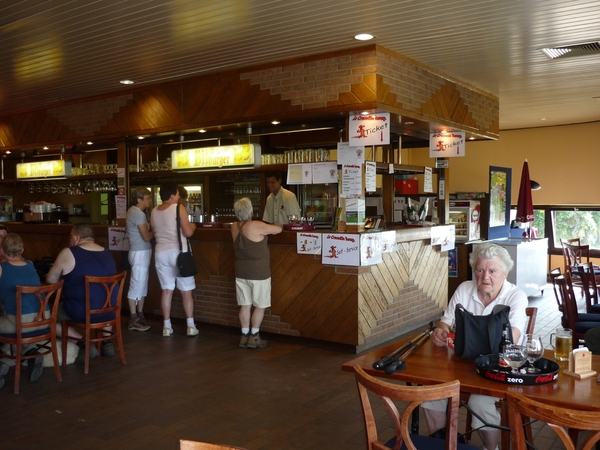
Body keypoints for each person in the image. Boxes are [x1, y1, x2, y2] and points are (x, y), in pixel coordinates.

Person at [423, 243, 528, 450]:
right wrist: (441, 330)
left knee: (479, 402)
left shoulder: (515, 297)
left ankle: (492, 448)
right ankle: (444, 444)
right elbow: (446, 320)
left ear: (505, 273)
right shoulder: (464, 288)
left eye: (492, 271)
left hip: (500, 366)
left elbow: (512, 339)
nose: (485, 276)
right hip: (463, 363)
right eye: (480, 270)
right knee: (431, 393)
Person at [46, 224, 118, 364]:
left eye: (70, 236)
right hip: (110, 311)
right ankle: (107, 342)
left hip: (82, 312)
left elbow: (50, 279)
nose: (69, 240)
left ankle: (84, 344)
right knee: (102, 298)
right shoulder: (107, 252)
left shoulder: (69, 252)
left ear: (77, 237)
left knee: (48, 317)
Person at [232, 197, 282, 348]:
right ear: (251, 211)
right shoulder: (256, 225)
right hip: (259, 273)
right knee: (260, 305)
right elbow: (278, 229)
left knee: (245, 305)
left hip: (241, 272)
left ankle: (244, 336)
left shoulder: (234, 226)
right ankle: (254, 336)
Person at [151, 182, 198, 337]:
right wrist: (193, 226)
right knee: (186, 291)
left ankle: (166, 326)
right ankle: (190, 326)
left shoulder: (153, 211)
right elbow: (188, 232)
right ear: (172, 196)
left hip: (160, 253)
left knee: (166, 290)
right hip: (179, 253)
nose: (179, 197)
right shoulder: (178, 208)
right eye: (177, 194)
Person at [0, 234, 46, 387]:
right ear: (23, 250)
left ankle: (1, 364)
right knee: (13, 317)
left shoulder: (1, 268)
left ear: (2, 250)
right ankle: (32, 353)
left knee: (11, 320)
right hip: (43, 320)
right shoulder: (30, 264)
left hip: (20, 323)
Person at [125, 187, 154, 332]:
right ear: (139, 200)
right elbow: (146, 236)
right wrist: (158, 229)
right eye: (147, 198)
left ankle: (139, 316)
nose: (150, 200)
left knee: (141, 285)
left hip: (139, 251)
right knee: (137, 285)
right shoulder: (138, 214)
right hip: (140, 252)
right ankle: (134, 318)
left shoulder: (133, 212)